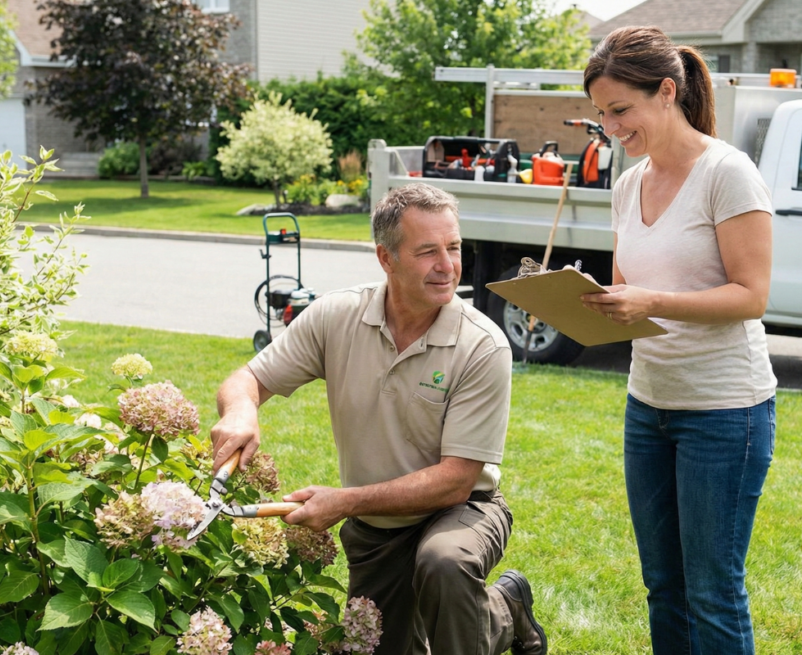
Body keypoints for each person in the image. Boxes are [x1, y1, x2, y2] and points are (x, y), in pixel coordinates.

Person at [210, 183, 548, 655]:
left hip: (463, 509)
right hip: (377, 531)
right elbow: (247, 378)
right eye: (427, 251)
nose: (447, 266)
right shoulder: (336, 316)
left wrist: (344, 501)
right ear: (385, 259)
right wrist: (243, 409)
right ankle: (501, 610)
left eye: (453, 248)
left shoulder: (482, 345)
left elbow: (456, 480)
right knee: (378, 646)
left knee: (443, 564)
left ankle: (489, 614)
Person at [580, 26, 777, 655]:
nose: (610, 127)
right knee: (664, 585)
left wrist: (652, 301)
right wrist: (588, 301)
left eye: (620, 110)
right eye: (601, 114)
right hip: (649, 407)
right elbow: (627, 289)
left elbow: (751, 296)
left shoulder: (729, 173)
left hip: (725, 414)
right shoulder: (627, 186)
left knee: (712, 593)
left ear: (667, 92)